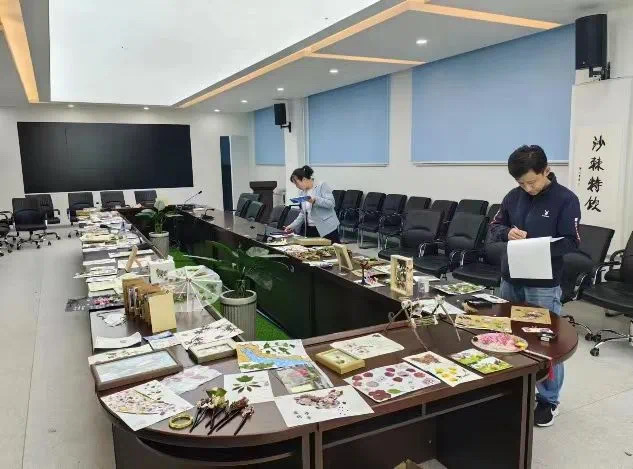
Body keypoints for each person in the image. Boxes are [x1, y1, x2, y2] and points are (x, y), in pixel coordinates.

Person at [489, 145, 581, 428]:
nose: (528, 188)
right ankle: (515, 387)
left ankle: (548, 400)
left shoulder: (566, 199)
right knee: (508, 334)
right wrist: (508, 232)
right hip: (511, 279)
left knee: (545, 342)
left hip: (543, 283)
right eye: (522, 184)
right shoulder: (512, 197)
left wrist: (538, 247)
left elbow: (572, 241)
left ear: (546, 170)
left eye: (532, 182)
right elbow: (495, 227)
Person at [284, 165, 340, 243]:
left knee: (330, 249)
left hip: (327, 228)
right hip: (311, 228)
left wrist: (314, 200)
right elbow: (303, 213)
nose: (297, 186)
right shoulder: (302, 192)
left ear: (304, 179)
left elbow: (331, 204)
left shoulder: (321, 186)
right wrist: (292, 226)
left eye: (297, 183)